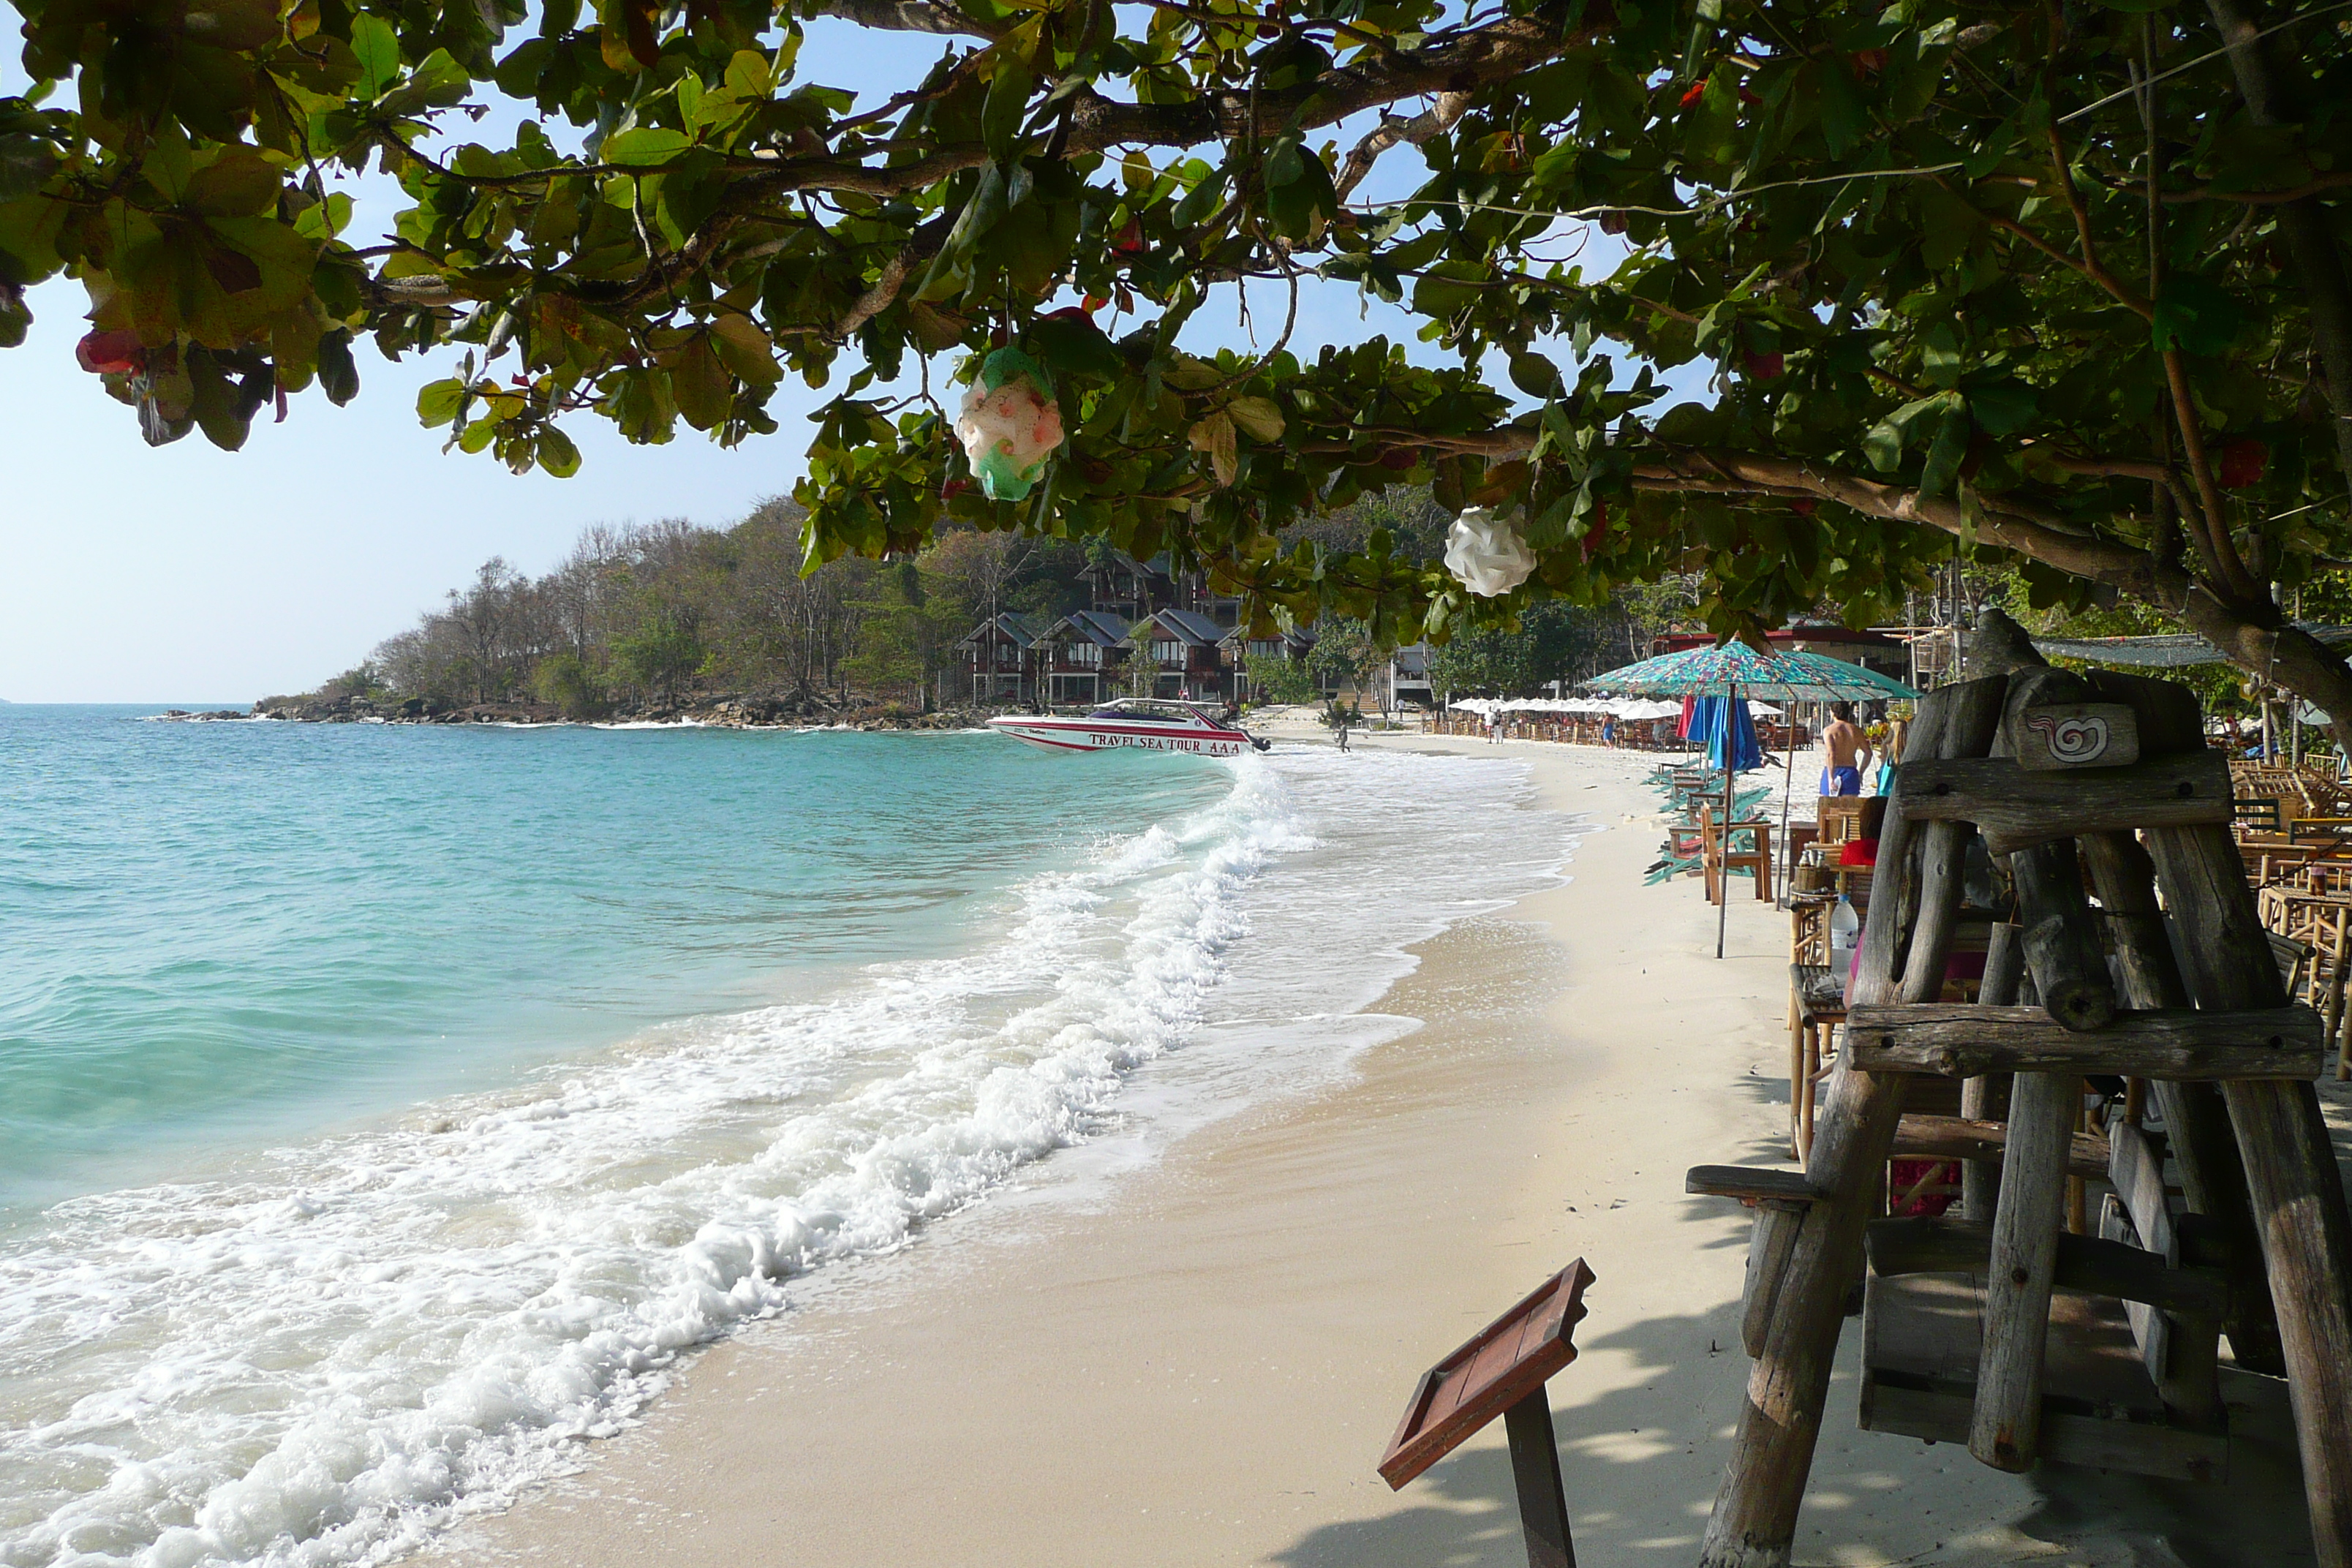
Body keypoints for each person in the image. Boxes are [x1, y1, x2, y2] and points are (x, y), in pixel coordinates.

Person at [1821, 702, 1873, 795]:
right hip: (1850, 771)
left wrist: (1830, 778)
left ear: (1832, 713)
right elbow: (1868, 753)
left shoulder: (1829, 730)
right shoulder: (1856, 730)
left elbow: (1831, 755)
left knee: (1829, 807)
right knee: (1850, 808)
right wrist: (1861, 773)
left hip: (1834, 770)